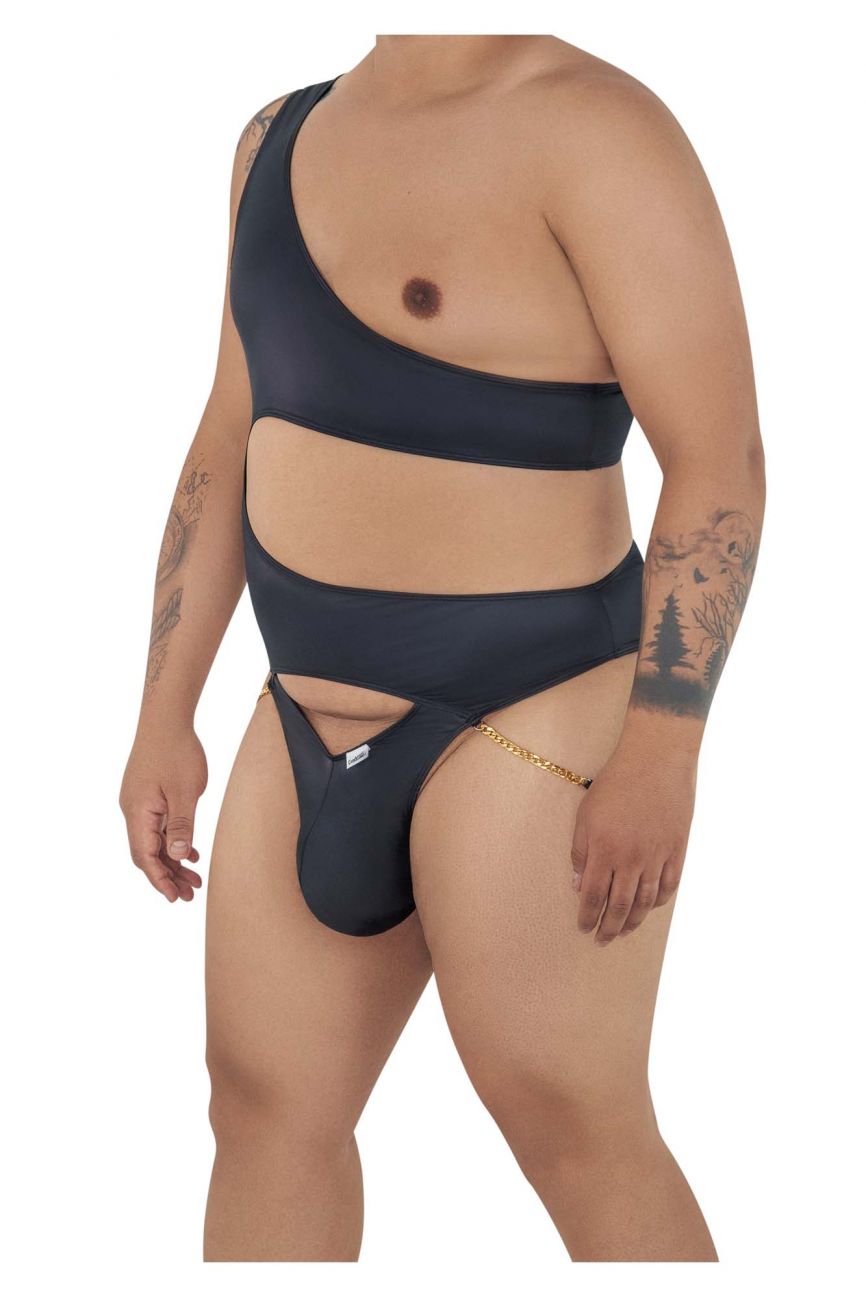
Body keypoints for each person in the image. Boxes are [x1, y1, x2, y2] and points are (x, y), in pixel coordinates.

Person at [119, 34, 764, 1262]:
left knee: (570, 1120)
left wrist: (661, 749)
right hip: (301, 708)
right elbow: (227, 433)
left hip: (528, 701)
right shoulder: (274, 136)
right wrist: (164, 711)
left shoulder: (596, 128)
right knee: (263, 1110)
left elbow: (717, 459)